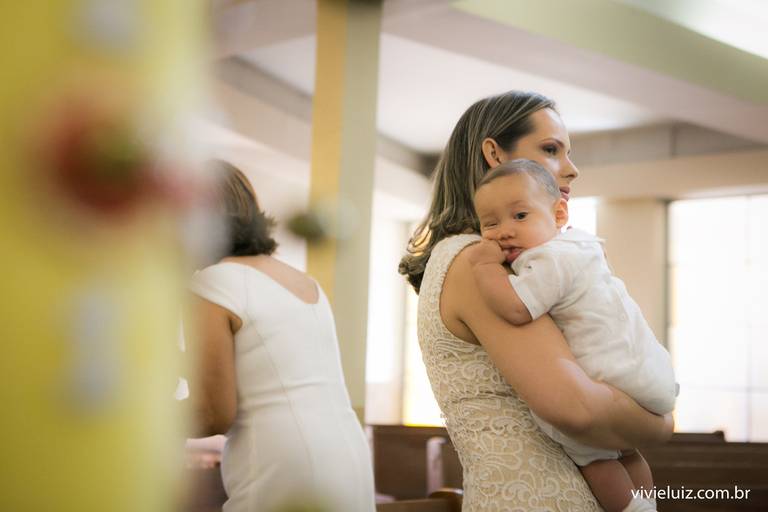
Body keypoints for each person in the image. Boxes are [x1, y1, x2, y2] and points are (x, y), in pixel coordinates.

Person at [399, 91, 673, 511]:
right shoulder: (478, 262)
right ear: (494, 154)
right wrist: (660, 423)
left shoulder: (508, 258)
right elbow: (575, 409)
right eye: (551, 149)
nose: (572, 168)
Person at [468, 159, 676, 512]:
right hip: (649, 373)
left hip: (612, 372)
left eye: (520, 216)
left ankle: (631, 509)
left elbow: (517, 308)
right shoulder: (582, 245)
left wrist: (485, 265)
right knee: (627, 452)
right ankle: (648, 504)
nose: (504, 231)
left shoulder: (548, 259)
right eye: (490, 223)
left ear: (559, 214)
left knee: (590, 454)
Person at [186, 160, 376, 512]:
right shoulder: (303, 281)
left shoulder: (213, 282)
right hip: (348, 453)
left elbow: (213, 413)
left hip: (283, 461)